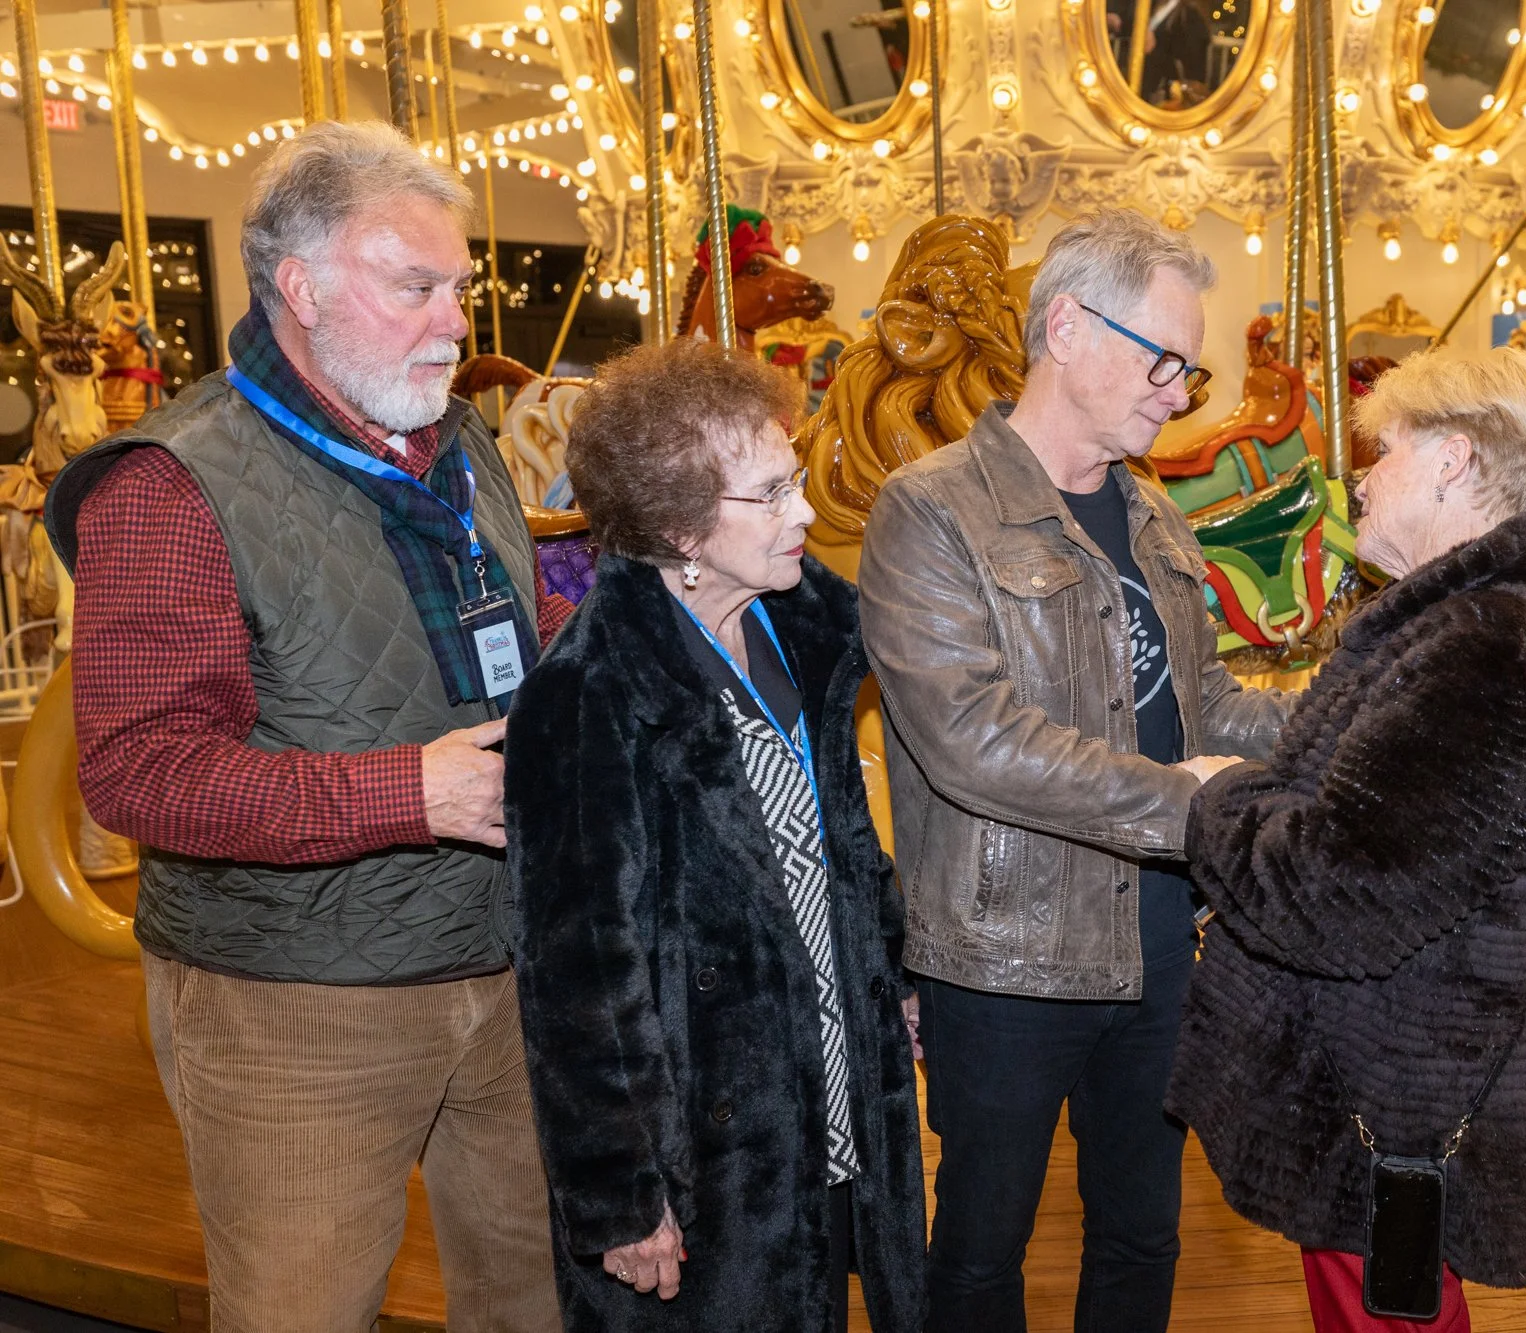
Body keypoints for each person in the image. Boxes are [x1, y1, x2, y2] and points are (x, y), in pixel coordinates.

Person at [46, 120, 566, 1331]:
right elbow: (134, 773)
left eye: (460, 289)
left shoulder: (454, 437)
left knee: (540, 1298)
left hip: (506, 960)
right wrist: (409, 794)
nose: (455, 323)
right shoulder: (171, 482)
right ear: (302, 288)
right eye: (417, 288)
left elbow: (495, 620)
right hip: (292, 998)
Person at [858, 207, 1294, 1333]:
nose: (1175, 390)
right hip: (1006, 952)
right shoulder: (932, 508)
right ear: (1067, 325)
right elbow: (972, 738)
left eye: (1186, 373)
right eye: (1163, 361)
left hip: (1160, 939)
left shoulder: (1151, 511)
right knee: (978, 1250)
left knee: (1144, 1233)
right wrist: (1184, 804)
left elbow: (1203, 709)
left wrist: (1354, 716)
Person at [1166, 346, 1526, 1333]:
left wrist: (1213, 801)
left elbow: (1336, 893)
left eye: (1385, 449)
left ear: (1451, 460)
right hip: (1392, 1081)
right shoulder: (1474, 621)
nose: (1358, 477)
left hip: (1397, 1101)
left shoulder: (1482, 646)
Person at [505, 339, 926, 1333]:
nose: (807, 514)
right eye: (771, 493)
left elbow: (847, 847)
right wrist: (618, 1189)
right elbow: (575, 974)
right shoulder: (586, 693)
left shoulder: (803, 628)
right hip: (704, 1140)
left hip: (833, 1090)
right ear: (675, 525)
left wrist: (898, 973)